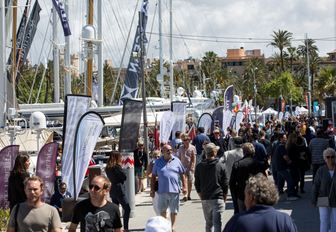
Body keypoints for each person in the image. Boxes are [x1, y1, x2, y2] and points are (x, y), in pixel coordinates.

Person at [223, 173, 298, 232]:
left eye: (245, 195)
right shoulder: (284, 220)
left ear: (251, 197)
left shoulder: (237, 221)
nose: (244, 200)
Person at [150, 144, 187, 231]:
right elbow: (153, 176)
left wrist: (185, 187)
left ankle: (172, 227)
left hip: (175, 190)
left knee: (174, 211)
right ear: (162, 152)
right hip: (162, 191)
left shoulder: (177, 160)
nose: (170, 151)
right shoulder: (158, 162)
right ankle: (165, 227)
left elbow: (182, 174)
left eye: (170, 150)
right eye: (167, 150)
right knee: (162, 211)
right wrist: (152, 190)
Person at [194, 143, 228, 232]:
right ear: (215, 152)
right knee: (217, 223)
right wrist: (224, 196)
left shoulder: (199, 166)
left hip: (205, 197)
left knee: (208, 223)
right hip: (217, 197)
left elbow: (197, 184)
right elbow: (225, 184)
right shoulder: (221, 165)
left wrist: (201, 195)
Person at [229, 142, 268, 213]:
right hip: (256, 194)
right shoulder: (258, 164)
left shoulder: (237, 164)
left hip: (241, 195)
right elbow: (264, 180)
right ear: (253, 151)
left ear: (243, 152)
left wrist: (235, 197)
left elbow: (232, 183)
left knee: (242, 217)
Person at [312, 148, 336, 232]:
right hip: (323, 197)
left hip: (335, 198)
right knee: (324, 220)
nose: (330, 159)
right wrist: (314, 199)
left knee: (335, 221)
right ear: (324, 158)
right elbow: (316, 186)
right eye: (328, 157)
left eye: (332, 156)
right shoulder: (321, 170)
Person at [105, 151, 131, 231]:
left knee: (115, 209)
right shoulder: (117, 167)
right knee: (127, 208)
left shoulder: (108, 167)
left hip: (113, 189)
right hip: (119, 189)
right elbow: (124, 177)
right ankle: (125, 228)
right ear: (117, 157)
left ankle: (116, 227)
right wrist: (121, 168)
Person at [177, 133, 196, 201]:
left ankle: (189, 195)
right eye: (184, 140)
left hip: (190, 167)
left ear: (189, 140)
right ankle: (185, 195)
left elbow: (193, 159)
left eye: (186, 140)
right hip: (182, 167)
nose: (185, 141)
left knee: (190, 181)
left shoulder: (193, 147)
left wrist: (193, 167)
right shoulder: (181, 147)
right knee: (184, 181)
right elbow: (178, 157)